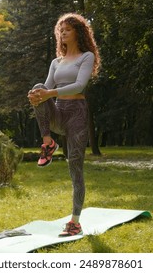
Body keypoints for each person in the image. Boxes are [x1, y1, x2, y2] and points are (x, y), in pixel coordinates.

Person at [27, 13, 100, 237]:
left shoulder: (86, 57)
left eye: (68, 29)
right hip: (58, 113)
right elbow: (46, 88)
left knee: (75, 170)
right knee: (39, 86)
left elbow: (79, 85)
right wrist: (37, 95)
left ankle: (75, 222)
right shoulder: (55, 62)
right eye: (61, 30)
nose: (63, 32)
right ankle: (48, 142)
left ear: (78, 32)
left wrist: (50, 92)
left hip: (77, 115)